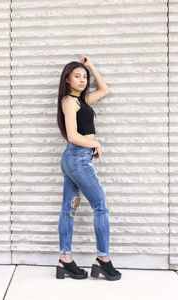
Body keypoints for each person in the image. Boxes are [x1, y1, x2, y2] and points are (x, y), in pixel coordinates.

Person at [56, 55, 121, 281]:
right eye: (77, 76)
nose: (83, 80)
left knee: (69, 209)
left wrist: (90, 65)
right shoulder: (69, 101)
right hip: (78, 158)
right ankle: (103, 259)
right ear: (67, 79)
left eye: (85, 77)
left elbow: (104, 90)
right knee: (101, 205)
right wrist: (95, 143)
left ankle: (65, 260)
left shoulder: (82, 101)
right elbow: (73, 136)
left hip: (75, 159)